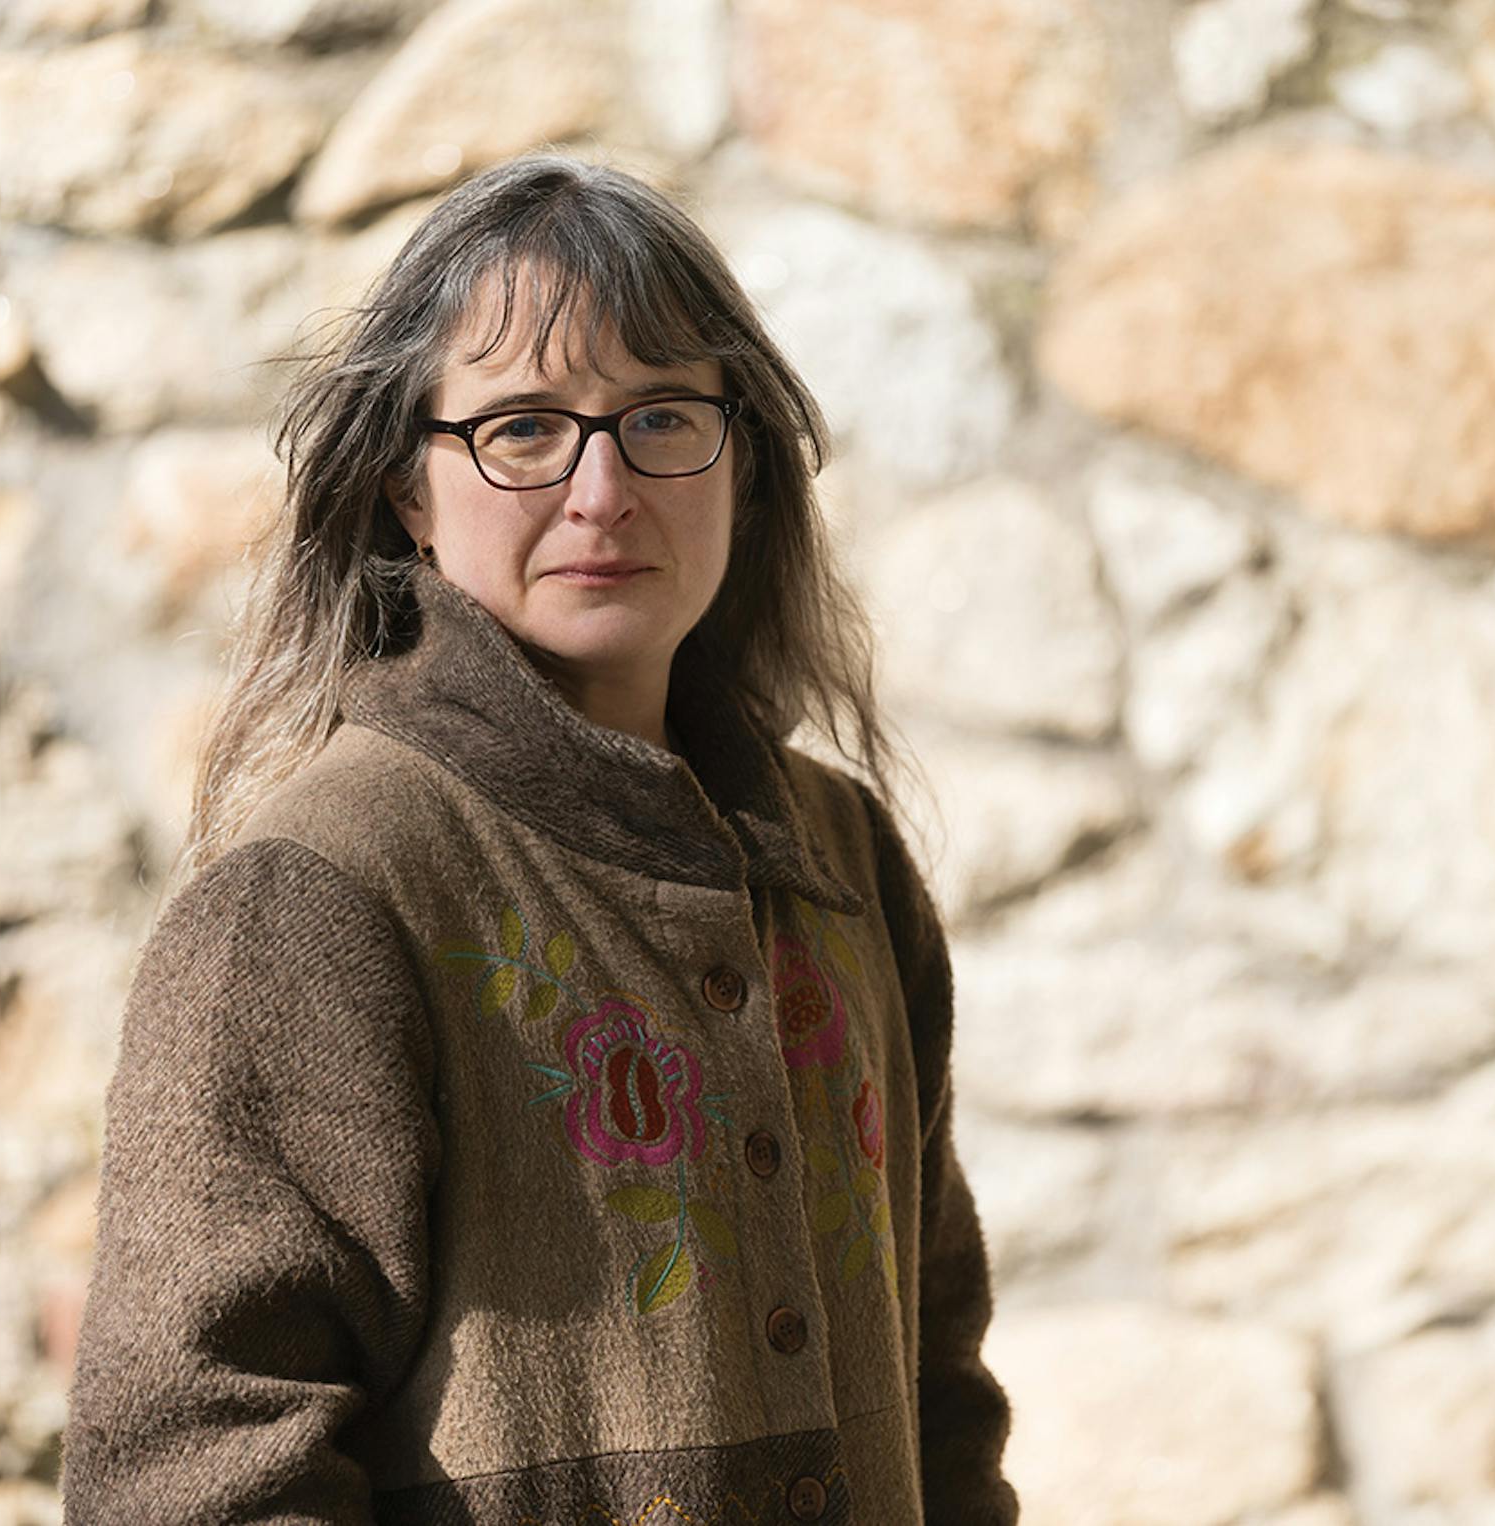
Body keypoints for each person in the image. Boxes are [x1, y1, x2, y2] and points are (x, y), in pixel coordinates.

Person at [60, 152, 1018, 1525]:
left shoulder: (841, 859)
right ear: (408, 486)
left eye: (662, 416)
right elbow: (192, 1480)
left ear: (741, 459)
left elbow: (944, 1394)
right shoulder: (316, 900)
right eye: (521, 428)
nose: (601, 490)